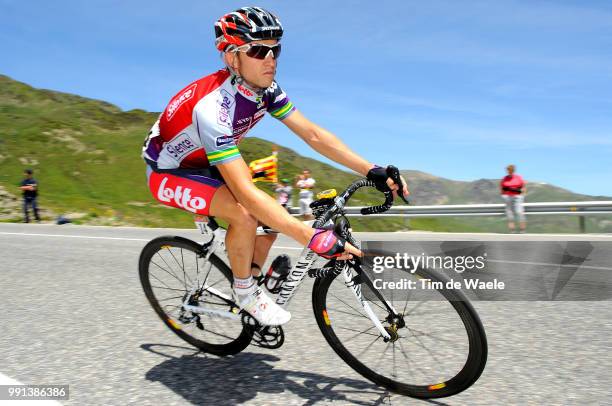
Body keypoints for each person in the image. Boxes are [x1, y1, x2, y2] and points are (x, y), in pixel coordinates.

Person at [142, 6, 409, 326]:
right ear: (231, 57)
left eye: (275, 49)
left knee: (272, 218)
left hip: (205, 161)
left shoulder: (264, 89)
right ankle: (245, 293)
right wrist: (309, 236)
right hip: (169, 171)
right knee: (244, 213)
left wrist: (371, 169)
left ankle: (251, 272)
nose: (271, 58)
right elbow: (244, 191)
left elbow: (312, 134)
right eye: (258, 50)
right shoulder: (212, 108)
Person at [500, 164, 526, 233]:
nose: (509, 171)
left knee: (519, 212)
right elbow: (502, 188)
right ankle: (512, 230)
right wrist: (503, 195)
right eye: (508, 170)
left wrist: (522, 195)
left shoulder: (518, 177)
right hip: (507, 197)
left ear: (513, 170)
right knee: (509, 213)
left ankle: (522, 229)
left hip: (517, 197)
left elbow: (523, 187)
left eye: (511, 170)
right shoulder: (505, 178)